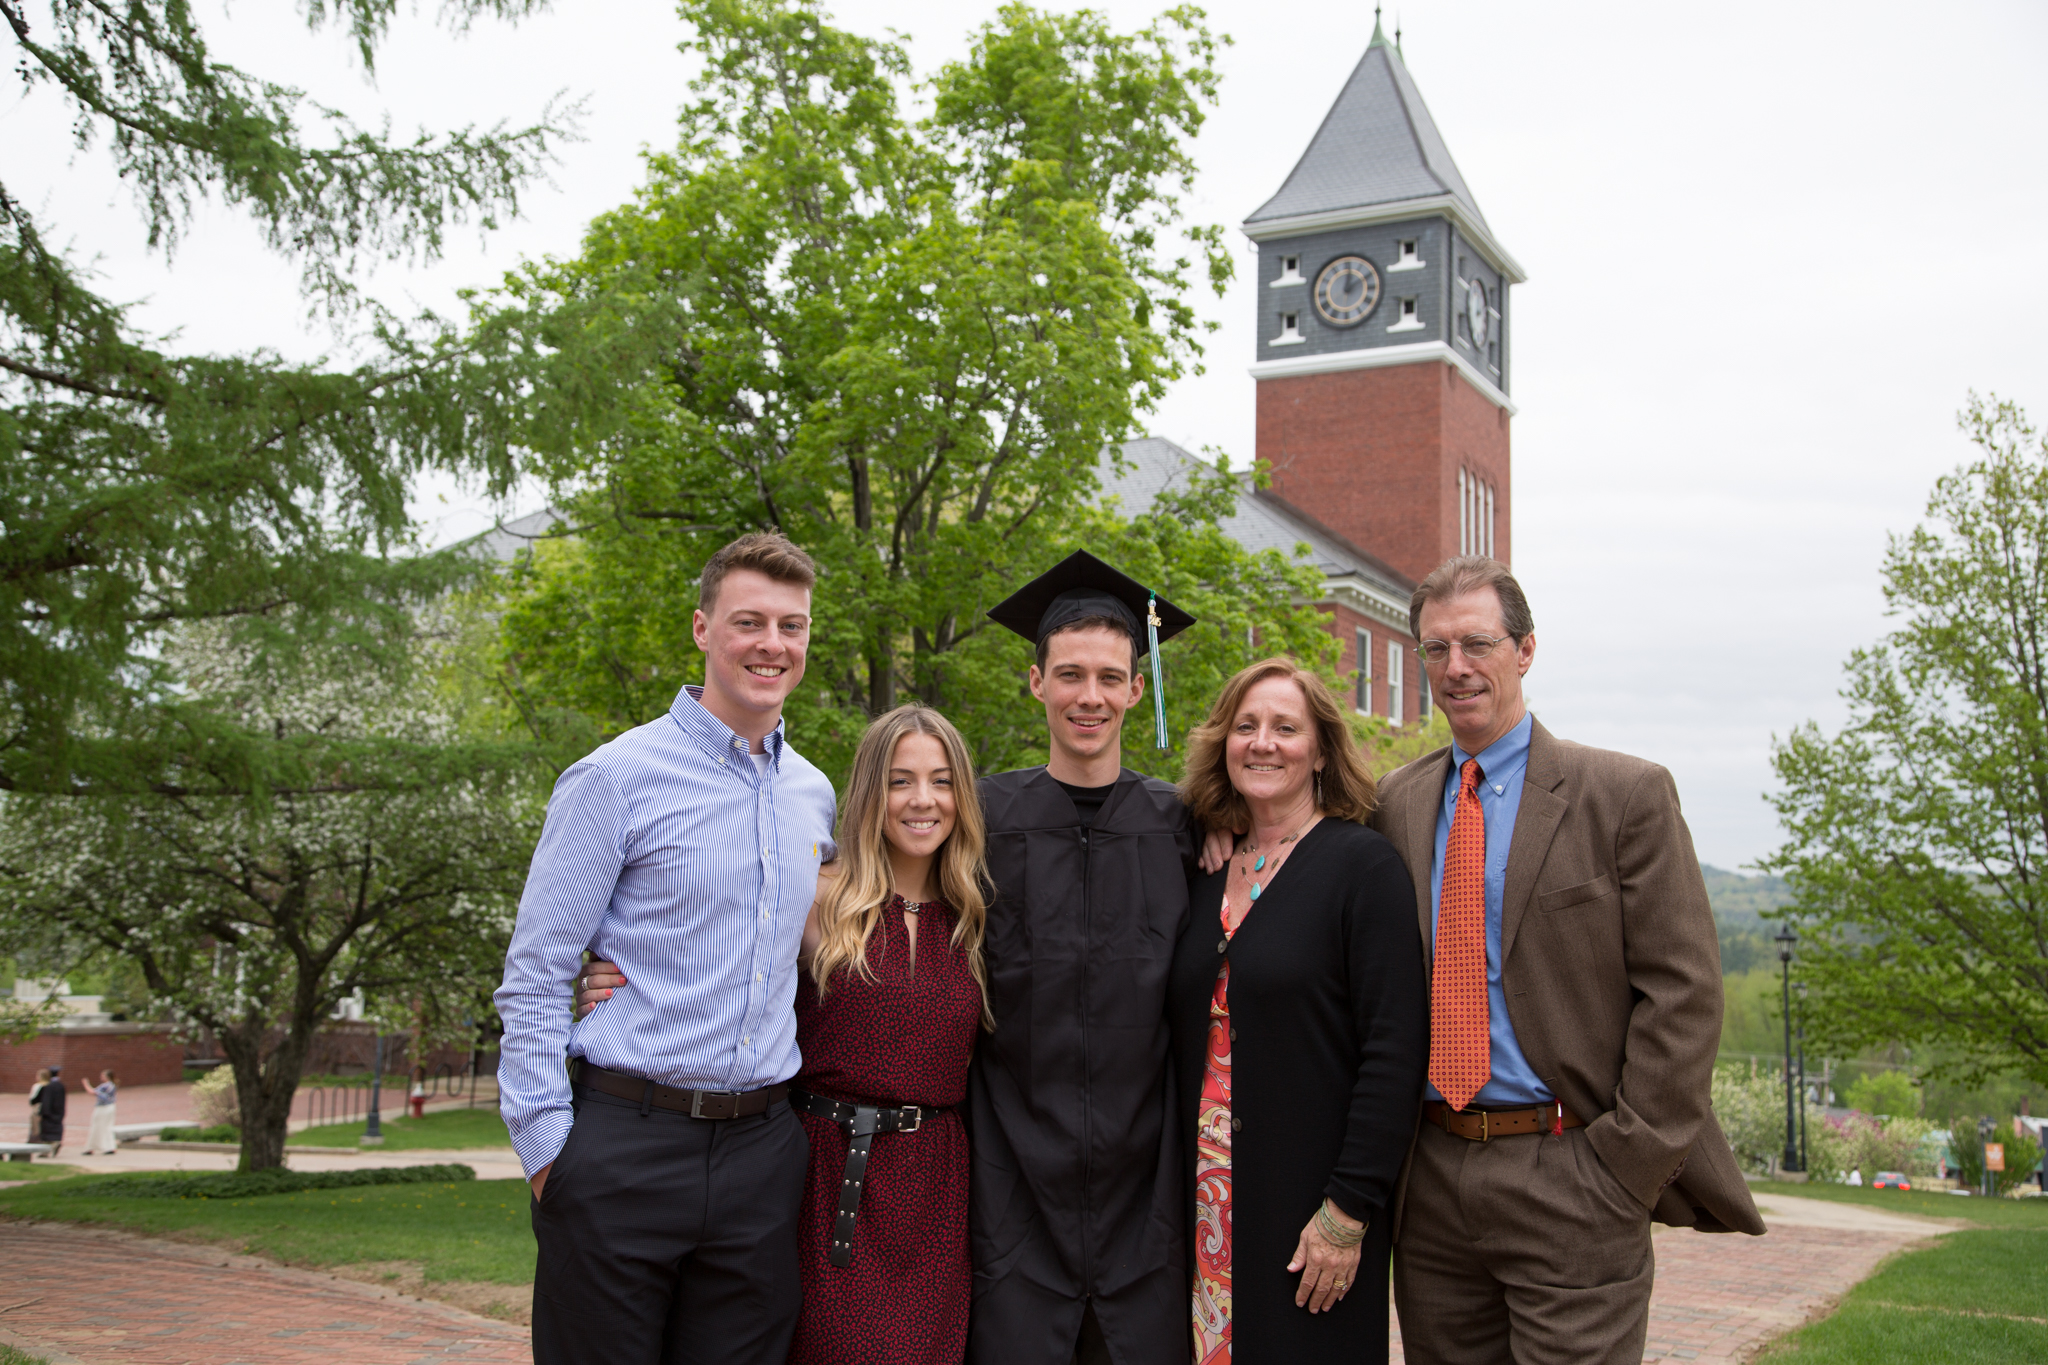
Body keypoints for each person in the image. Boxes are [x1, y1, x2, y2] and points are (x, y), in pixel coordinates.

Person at [1374, 556, 1764, 1365]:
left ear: (1525, 650)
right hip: (1433, 1176)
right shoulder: (1397, 803)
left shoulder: (1622, 794)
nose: (1457, 667)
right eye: (1436, 650)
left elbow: (1683, 993)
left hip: (1573, 1170)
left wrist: (1624, 1165)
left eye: (1477, 643)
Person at [494, 531, 840, 1365]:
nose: (772, 644)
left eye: (791, 626)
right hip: (625, 1146)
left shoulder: (814, 796)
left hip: (763, 1153)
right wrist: (550, 1154)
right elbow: (537, 970)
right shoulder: (614, 777)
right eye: (749, 621)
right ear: (702, 628)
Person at [577, 704, 992, 1364]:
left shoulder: (977, 916)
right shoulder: (817, 892)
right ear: (868, 791)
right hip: (824, 1178)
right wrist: (608, 976)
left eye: (941, 781)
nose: (923, 800)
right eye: (900, 780)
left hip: (936, 1190)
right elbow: (709, 944)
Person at [971, 550, 1203, 1365]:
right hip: (1010, 1185)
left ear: (1138, 689)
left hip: (1149, 1195)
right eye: (1070, 674)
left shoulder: (1186, 826)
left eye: (1110, 676)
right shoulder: (977, 818)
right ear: (1036, 682)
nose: (1090, 696)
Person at [1167, 658, 1427, 1364]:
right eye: (1245, 725)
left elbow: (1394, 1051)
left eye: (1286, 727)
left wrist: (1347, 1210)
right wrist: (1205, 831)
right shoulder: (1202, 868)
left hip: (1308, 1206)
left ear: (1319, 749)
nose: (1263, 741)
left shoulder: (1362, 867)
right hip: (1199, 1203)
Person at [83, 1070, 119, 1155]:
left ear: (107, 1077)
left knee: (96, 1126)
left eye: (103, 1075)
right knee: (107, 1127)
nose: (101, 1077)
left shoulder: (105, 1086)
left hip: (102, 1108)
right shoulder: (112, 1085)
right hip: (111, 1107)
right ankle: (110, 1146)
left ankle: (91, 1147)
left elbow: (91, 1092)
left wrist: (85, 1083)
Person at [35, 1064, 64, 1150]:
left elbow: (45, 1101)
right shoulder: (60, 1085)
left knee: (47, 1131)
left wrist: (43, 1113)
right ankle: (56, 1142)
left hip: (49, 1113)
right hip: (59, 1112)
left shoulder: (48, 1086)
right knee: (56, 1128)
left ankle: (49, 1148)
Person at [27, 1068, 49, 1143]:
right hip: (47, 1109)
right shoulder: (50, 1086)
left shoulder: (37, 1086)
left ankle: (35, 1140)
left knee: (35, 1126)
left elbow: (32, 1099)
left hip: (37, 1108)